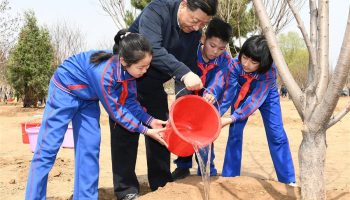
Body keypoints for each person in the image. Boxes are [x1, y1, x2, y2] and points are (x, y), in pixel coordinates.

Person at [25, 30, 168, 200]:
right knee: (47, 149)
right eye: (141, 67)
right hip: (64, 90)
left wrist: (150, 120)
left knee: (90, 148)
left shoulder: (129, 73)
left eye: (147, 66)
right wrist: (145, 130)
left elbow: (129, 102)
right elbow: (116, 112)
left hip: (88, 98)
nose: (145, 71)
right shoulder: (104, 73)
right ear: (124, 61)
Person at [109, 0, 218, 199]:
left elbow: (188, 63)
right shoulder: (157, 11)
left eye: (202, 24)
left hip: (153, 84)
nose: (196, 27)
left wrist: (191, 99)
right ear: (184, 4)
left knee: (162, 130)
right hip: (126, 79)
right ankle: (126, 190)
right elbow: (154, 49)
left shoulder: (193, 32)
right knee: (125, 132)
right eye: (195, 20)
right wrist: (184, 73)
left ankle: (161, 185)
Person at [220, 35, 296, 184]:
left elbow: (254, 100)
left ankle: (288, 180)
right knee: (235, 132)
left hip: (267, 95)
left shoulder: (269, 73)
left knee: (277, 134)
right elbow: (228, 93)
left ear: (264, 64)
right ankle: (230, 176)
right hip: (242, 92)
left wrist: (232, 117)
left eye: (253, 62)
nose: (246, 64)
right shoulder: (235, 65)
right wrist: (217, 115)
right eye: (245, 57)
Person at [171, 17, 233, 180]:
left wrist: (212, 91)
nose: (215, 51)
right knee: (184, 125)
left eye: (221, 48)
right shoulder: (190, 50)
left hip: (208, 99)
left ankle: (206, 168)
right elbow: (180, 72)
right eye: (212, 46)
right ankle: (182, 166)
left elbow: (221, 78)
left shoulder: (225, 59)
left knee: (204, 129)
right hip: (187, 92)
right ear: (204, 39)